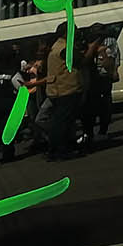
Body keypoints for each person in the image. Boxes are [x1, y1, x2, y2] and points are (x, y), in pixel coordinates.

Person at [43, 23, 81, 161]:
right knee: (62, 123)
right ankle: (61, 151)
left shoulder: (56, 46)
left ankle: (55, 150)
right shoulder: (65, 48)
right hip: (65, 89)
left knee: (58, 122)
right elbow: (81, 61)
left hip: (56, 89)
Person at [80, 29, 119, 141]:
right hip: (89, 80)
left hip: (103, 78)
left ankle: (102, 131)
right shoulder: (85, 45)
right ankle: (88, 133)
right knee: (88, 108)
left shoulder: (109, 44)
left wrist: (102, 53)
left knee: (105, 106)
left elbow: (109, 64)